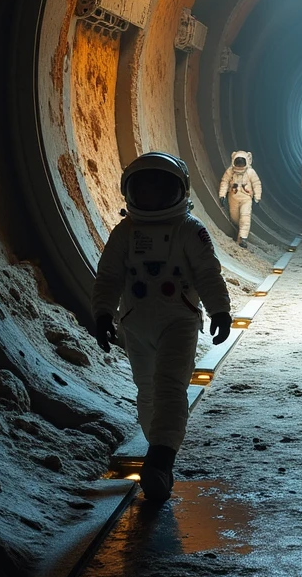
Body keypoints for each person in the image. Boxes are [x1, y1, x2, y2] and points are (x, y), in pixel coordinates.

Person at [92, 152, 231, 503]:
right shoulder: (125, 232)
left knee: (169, 387)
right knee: (147, 390)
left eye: (160, 189)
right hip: (135, 323)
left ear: (178, 191)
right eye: (145, 189)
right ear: (131, 192)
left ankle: (160, 459)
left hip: (178, 321)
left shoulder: (189, 230)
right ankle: (159, 449)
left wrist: (220, 310)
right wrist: (103, 313)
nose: (152, 196)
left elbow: (206, 274)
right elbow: (109, 276)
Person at [219, 150, 262, 249]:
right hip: (233, 198)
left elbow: (256, 184)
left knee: (245, 217)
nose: (239, 164)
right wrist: (222, 195)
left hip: (246, 198)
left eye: (242, 162)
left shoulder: (250, 172)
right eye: (237, 162)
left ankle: (243, 238)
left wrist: (257, 198)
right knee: (235, 218)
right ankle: (241, 233)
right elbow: (224, 182)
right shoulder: (230, 171)